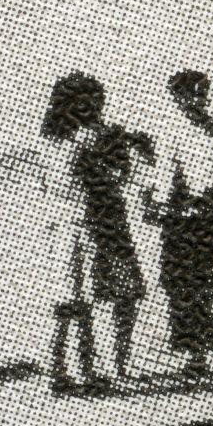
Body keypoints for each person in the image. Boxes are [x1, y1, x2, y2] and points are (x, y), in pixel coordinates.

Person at [37, 73, 144, 394]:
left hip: (92, 222)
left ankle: (77, 369)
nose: (96, 107)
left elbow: (119, 173)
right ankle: (80, 370)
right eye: (88, 102)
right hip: (85, 224)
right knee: (78, 300)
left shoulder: (61, 141)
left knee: (81, 299)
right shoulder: (76, 141)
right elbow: (82, 178)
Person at [142, 70, 213, 374]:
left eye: (202, 92)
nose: (196, 99)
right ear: (177, 97)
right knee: (184, 287)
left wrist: (205, 197)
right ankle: (196, 354)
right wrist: (161, 203)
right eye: (190, 94)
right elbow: (165, 180)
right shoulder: (171, 135)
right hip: (184, 221)